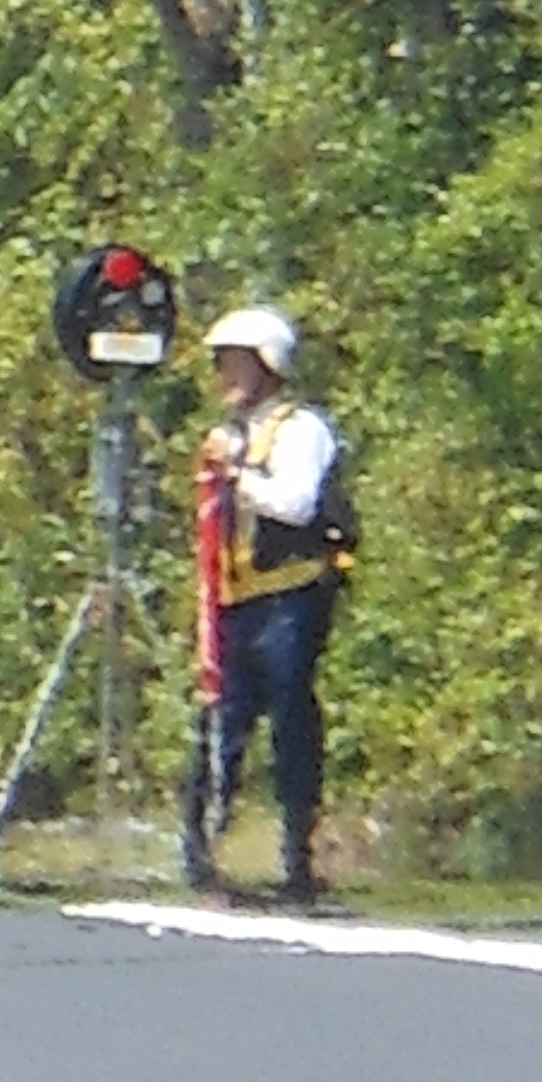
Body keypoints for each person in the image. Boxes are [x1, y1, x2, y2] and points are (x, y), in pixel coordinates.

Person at [182, 303, 350, 901]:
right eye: (222, 363)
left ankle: (296, 856)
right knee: (218, 722)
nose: (226, 375)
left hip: (290, 598)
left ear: (268, 366)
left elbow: (296, 504)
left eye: (238, 363)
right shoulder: (227, 436)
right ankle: (200, 851)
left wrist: (237, 476)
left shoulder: (302, 429)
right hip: (234, 603)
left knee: (290, 721)